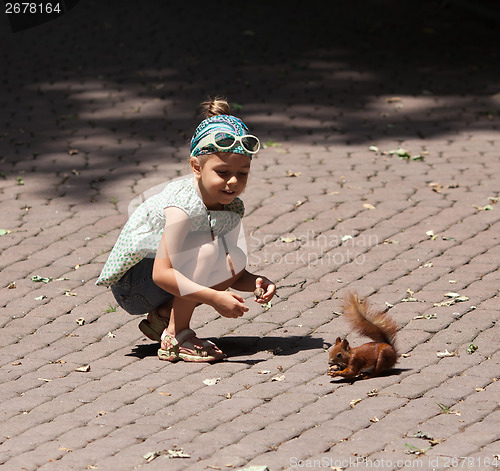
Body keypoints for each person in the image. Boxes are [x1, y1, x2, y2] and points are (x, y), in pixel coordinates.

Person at [96, 98, 276, 362]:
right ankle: (175, 337)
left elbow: (229, 269)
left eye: (243, 173)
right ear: (196, 167)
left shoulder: (231, 207)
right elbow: (162, 273)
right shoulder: (182, 206)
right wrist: (215, 298)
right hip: (136, 286)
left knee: (234, 256)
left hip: (166, 280)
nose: (234, 181)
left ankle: (164, 319)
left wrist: (256, 282)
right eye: (223, 172)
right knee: (206, 248)